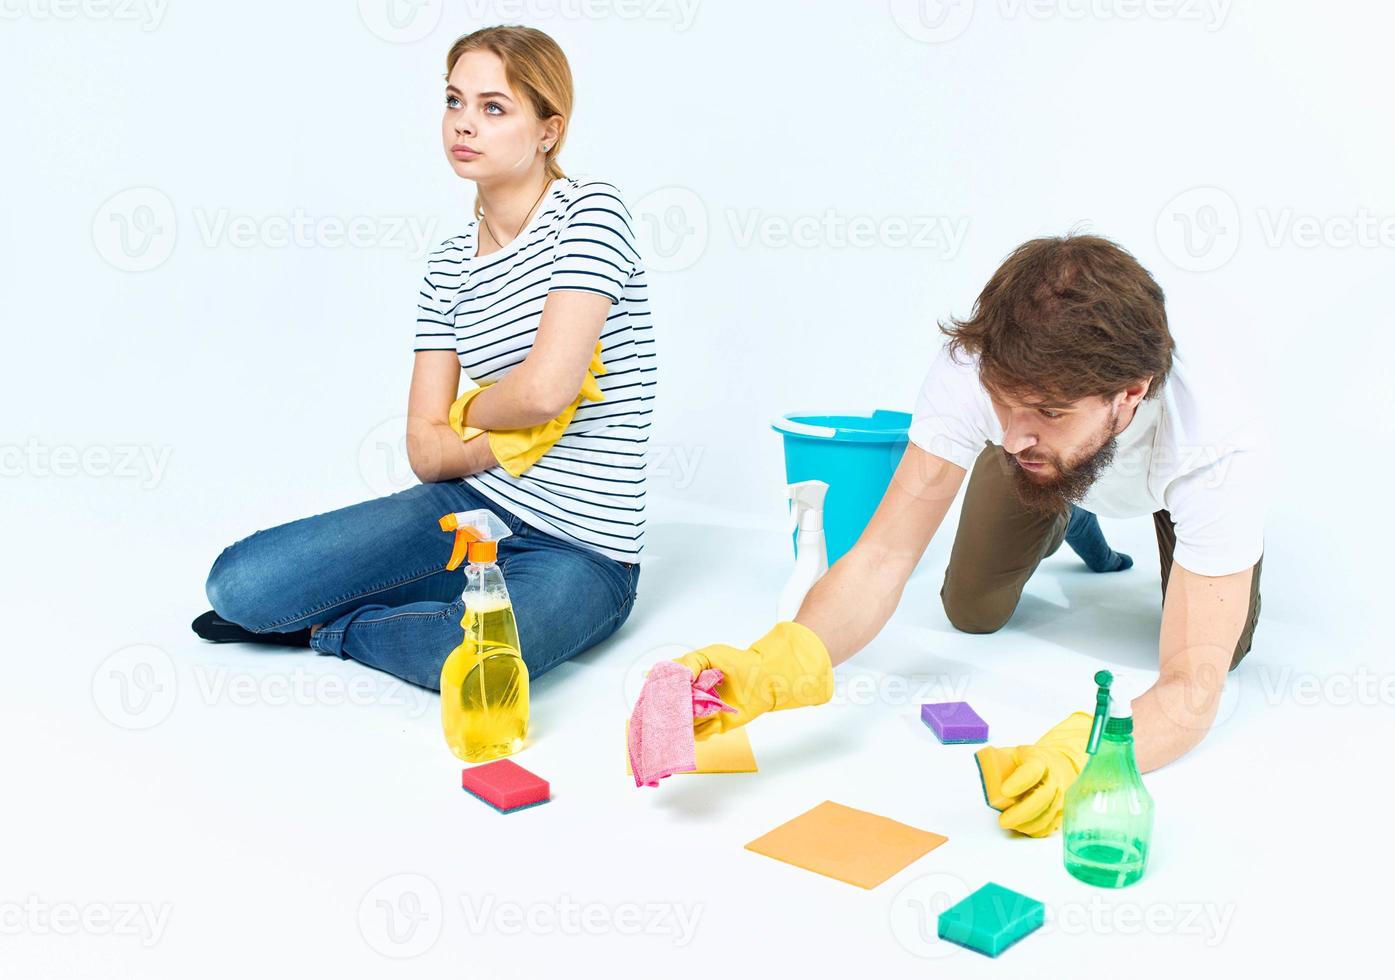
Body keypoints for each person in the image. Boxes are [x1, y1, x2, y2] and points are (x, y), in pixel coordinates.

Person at [669, 234, 1263, 837]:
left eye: (1049, 411)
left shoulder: (1212, 446)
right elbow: (881, 556)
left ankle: (1080, 500)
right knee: (971, 609)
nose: (1011, 435)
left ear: (1130, 393)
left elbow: (1192, 686)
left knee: (1221, 653)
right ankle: (1065, 509)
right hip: (1050, 469)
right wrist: (771, 665)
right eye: (1005, 404)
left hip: (1170, 492)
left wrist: (1081, 756)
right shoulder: (979, 370)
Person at [193, 25, 655, 689]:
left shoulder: (590, 213)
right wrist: (501, 431)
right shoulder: (446, 265)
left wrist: (472, 411)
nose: (465, 124)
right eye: (454, 101)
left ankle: (341, 628)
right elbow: (426, 450)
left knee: (468, 664)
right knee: (239, 586)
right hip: (469, 503)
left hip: (583, 549)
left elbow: (546, 392)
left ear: (549, 131)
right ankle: (412, 602)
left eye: (494, 108)